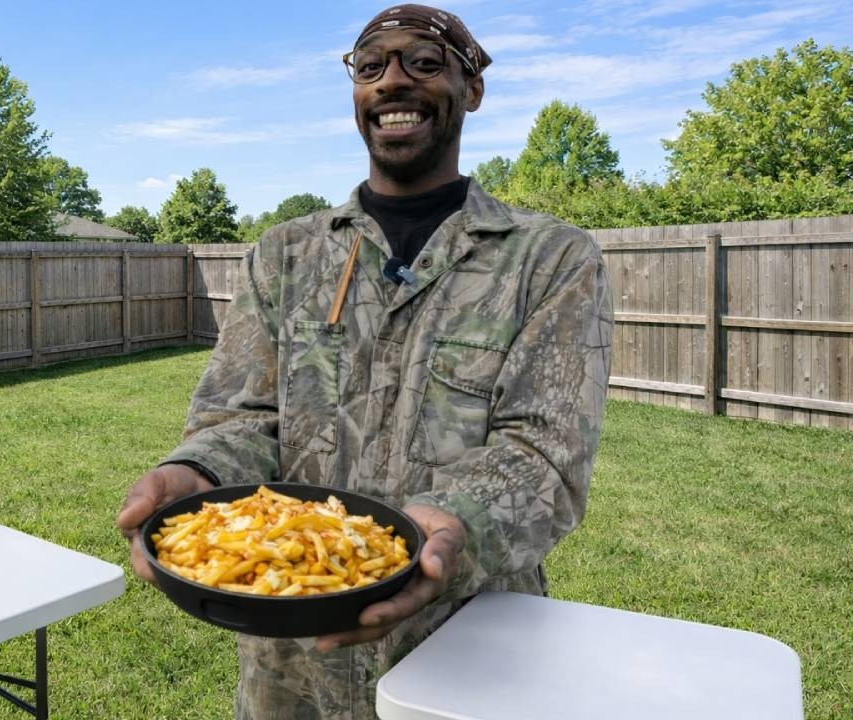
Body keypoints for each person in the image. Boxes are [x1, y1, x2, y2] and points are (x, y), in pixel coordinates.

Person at [116, 4, 614, 719]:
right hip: (290, 661)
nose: (392, 81)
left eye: (425, 63)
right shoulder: (286, 255)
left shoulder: (549, 259)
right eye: (371, 66)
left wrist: (449, 526)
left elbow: (545, 453)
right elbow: (242, 416)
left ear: (472, 89)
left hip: (468, 648)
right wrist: (199, 472)